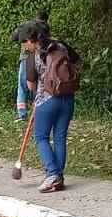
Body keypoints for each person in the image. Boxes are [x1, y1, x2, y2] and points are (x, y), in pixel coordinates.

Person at [20, 20, 79, 193]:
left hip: (47, 100)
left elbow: (30, 85)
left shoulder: (34, 55)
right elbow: (76, 61)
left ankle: (52, 174)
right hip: (67, 97)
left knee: (41, 137)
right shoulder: (61, 46)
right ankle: (58, 178)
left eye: (24, 42)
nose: (24, 47)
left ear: (32, 40)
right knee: (60, 137)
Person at [10, 11, 49, 121]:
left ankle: (22, 114)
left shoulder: (26, 25)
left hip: (26, 57)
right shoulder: (45, 27)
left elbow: (13, 37)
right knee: (40, 84)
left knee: (22, 87)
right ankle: (40, 112)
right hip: (42, 58)